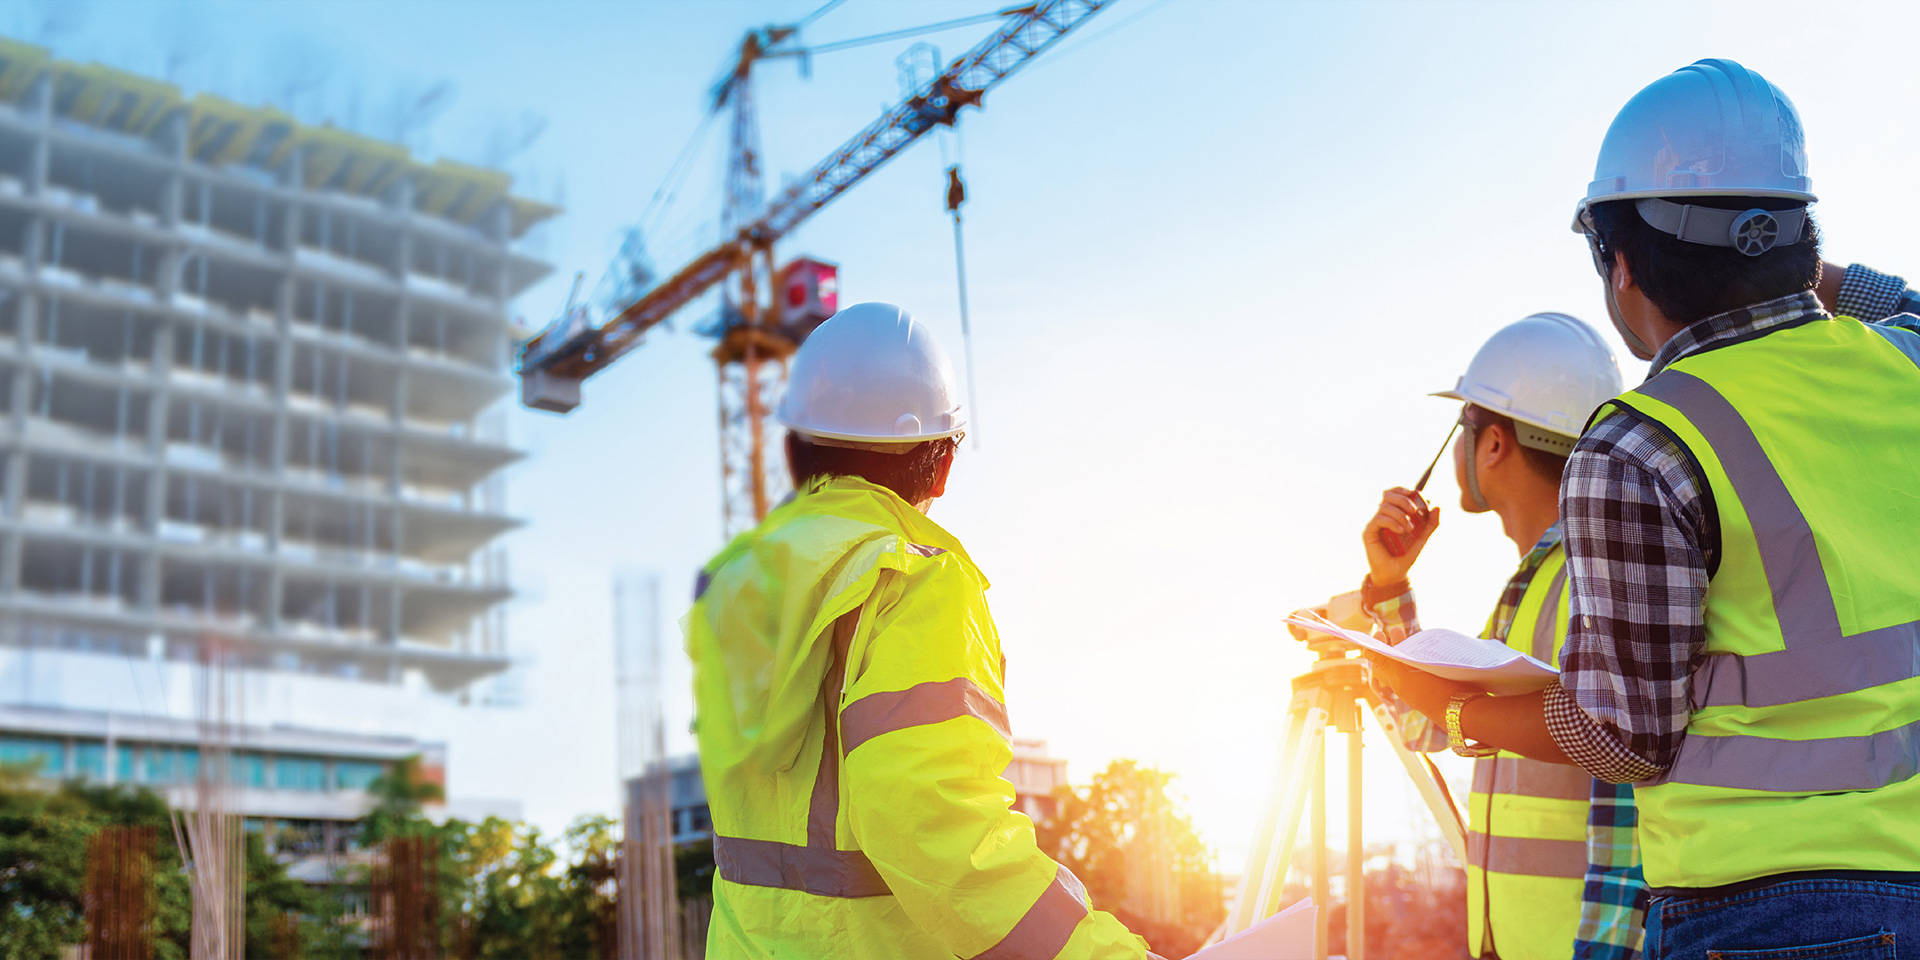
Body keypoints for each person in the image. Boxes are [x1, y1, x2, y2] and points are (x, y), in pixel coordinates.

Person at [1368, 59, 1920, 956]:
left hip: (1765, 914)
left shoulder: (1641, 443)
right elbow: (1902, 305)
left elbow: (1626, 738)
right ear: (1795, 235)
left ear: (1619, 265)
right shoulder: (1902, 363)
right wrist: (1784, 259)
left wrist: (1457, 713)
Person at [686, 302, 1155, 960]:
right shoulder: (912, 580)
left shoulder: (739, 591)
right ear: (941, 465)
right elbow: (937, 826)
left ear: (797, 448)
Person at [1359, 312, 1639, 960]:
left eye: (1464, 428)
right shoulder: (1533, 588)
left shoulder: (1588, 582)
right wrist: (1391, 587)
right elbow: (1429, 724)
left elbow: (1624, 816)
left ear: (1492, 444)